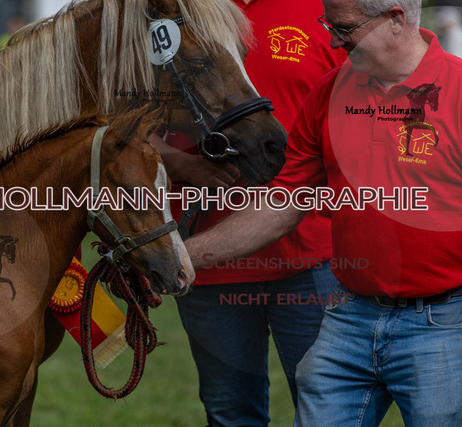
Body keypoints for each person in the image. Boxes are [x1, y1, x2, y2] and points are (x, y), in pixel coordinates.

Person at [185, 0, 462, 424]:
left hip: (443, 321)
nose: (333, 41)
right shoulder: (330, 91)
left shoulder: (456, 90)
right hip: (349, 316)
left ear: (395, 19)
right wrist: (181, 256)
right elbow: (283, 202)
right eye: (328, 25)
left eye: (345, 28)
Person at [154, 0, 345, 424]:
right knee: (230, 412)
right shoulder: (172, 14)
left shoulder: (324, 10)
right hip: (209, 260)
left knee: (328, 410)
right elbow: (120, 120)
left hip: (309, 257)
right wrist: (179, 163)